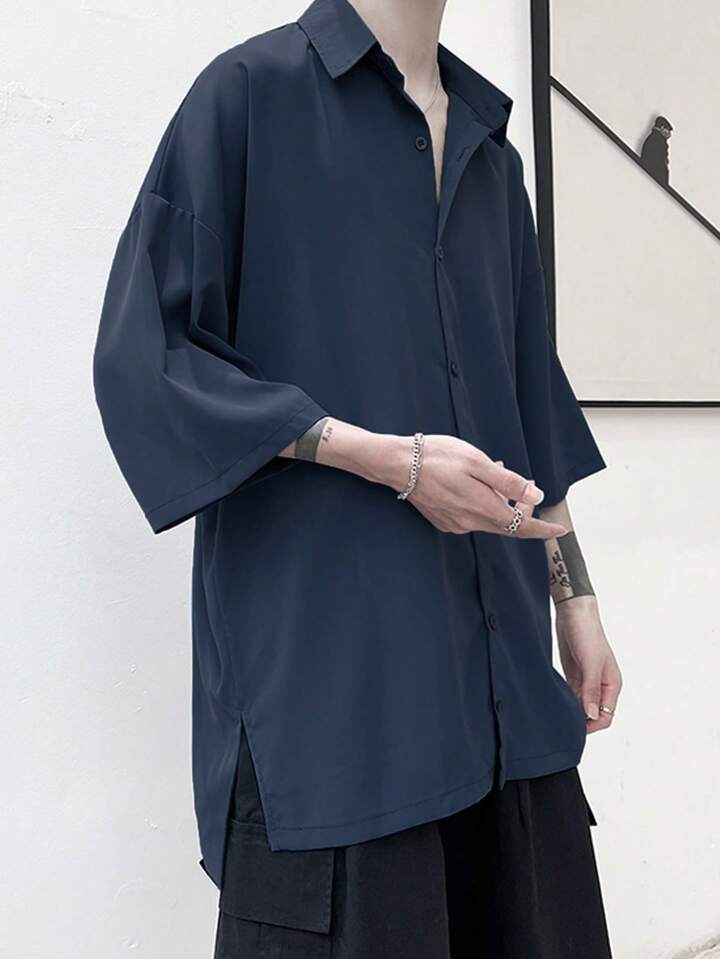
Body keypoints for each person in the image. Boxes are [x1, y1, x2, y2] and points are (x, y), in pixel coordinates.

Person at [93, 0, 622, 955]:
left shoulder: (492, 155)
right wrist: (388, 459)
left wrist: (575, 602)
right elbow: (149, 356)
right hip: (337, 704)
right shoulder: (247, 100)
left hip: (506, 702)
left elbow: (527, 399)